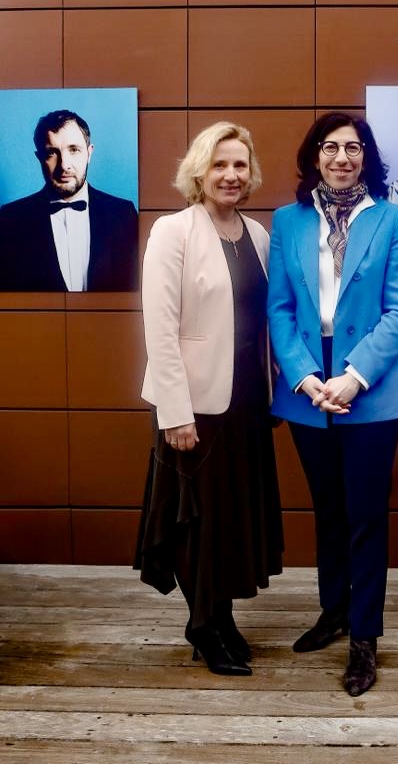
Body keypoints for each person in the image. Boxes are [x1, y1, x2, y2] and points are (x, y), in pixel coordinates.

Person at [267, 112, 398, 696]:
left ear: (366, 157)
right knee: (328, 511)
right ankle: (333, 612)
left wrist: (353, 378)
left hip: (369, 391)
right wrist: (305, 378)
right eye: (330, 148)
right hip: (307, 392)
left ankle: (364, 638)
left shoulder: (391, 220)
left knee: (365, 516)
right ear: (314, 157)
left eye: (353, 148)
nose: (341, 157)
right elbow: (278, 310)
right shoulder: (287, 221)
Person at [135, 122, 283, 677]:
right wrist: (174, 413)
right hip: (195, 406)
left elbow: (264, 322)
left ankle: (222, 619)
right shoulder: (173, 232)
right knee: (200, 520)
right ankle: (203, 625)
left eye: (240, 165)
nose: (231, 175)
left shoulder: (259, 235)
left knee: (232, 517)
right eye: (220, 164)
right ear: (199, 171)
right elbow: (160, 328)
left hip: (245, 400)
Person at [0, 108, 138, 291]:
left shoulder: (124, 214)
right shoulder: (9, 220)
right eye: (52, 153)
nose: (64, 165)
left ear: (89, 153)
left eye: (74, 150)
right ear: (39, 157)